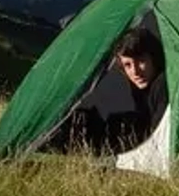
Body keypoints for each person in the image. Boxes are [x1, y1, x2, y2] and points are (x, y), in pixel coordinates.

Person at [63, 22, 170, 155]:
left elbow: (161, 138)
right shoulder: (141, 87)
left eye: (141, 61)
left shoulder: (163, 85)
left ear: (154, 58)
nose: (135, 71)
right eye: (127, 65)